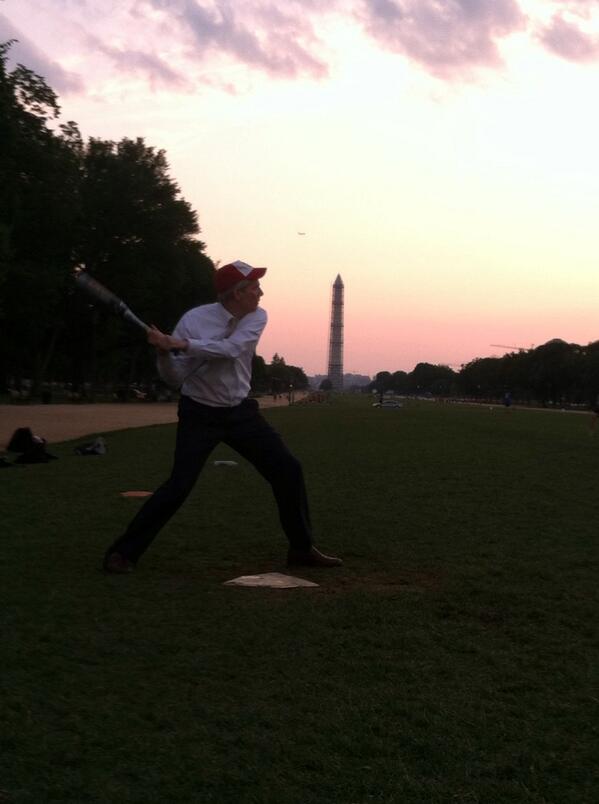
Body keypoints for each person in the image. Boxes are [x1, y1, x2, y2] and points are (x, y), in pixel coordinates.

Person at [103, 260, 342, 574]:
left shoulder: (256, 316)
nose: (260, 292)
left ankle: (301, 548)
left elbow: (231, 349)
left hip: (240, 412)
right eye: (254, 287)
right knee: (179, 486)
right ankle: (123, 553)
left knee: (288, 470)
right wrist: (164, 354)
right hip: (199, 412)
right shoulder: (194, 320)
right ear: (237, 293)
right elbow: (175, 378)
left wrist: (181, 344)